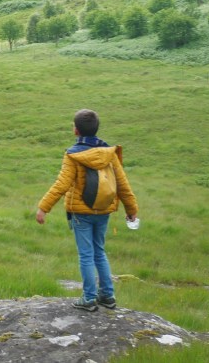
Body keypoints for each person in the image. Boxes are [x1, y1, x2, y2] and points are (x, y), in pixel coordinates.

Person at [36, 109, 138, 311]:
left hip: (81, 214)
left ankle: (89, 298)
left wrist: (43, 207)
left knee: (86, 254)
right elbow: (122, 184)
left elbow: (62, 184)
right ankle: (107, 296)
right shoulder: (110, 153)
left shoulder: (73, 155)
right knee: (99, 251)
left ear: (76, 130)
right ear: (96, 128)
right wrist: (131, 208)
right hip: (104, 210)